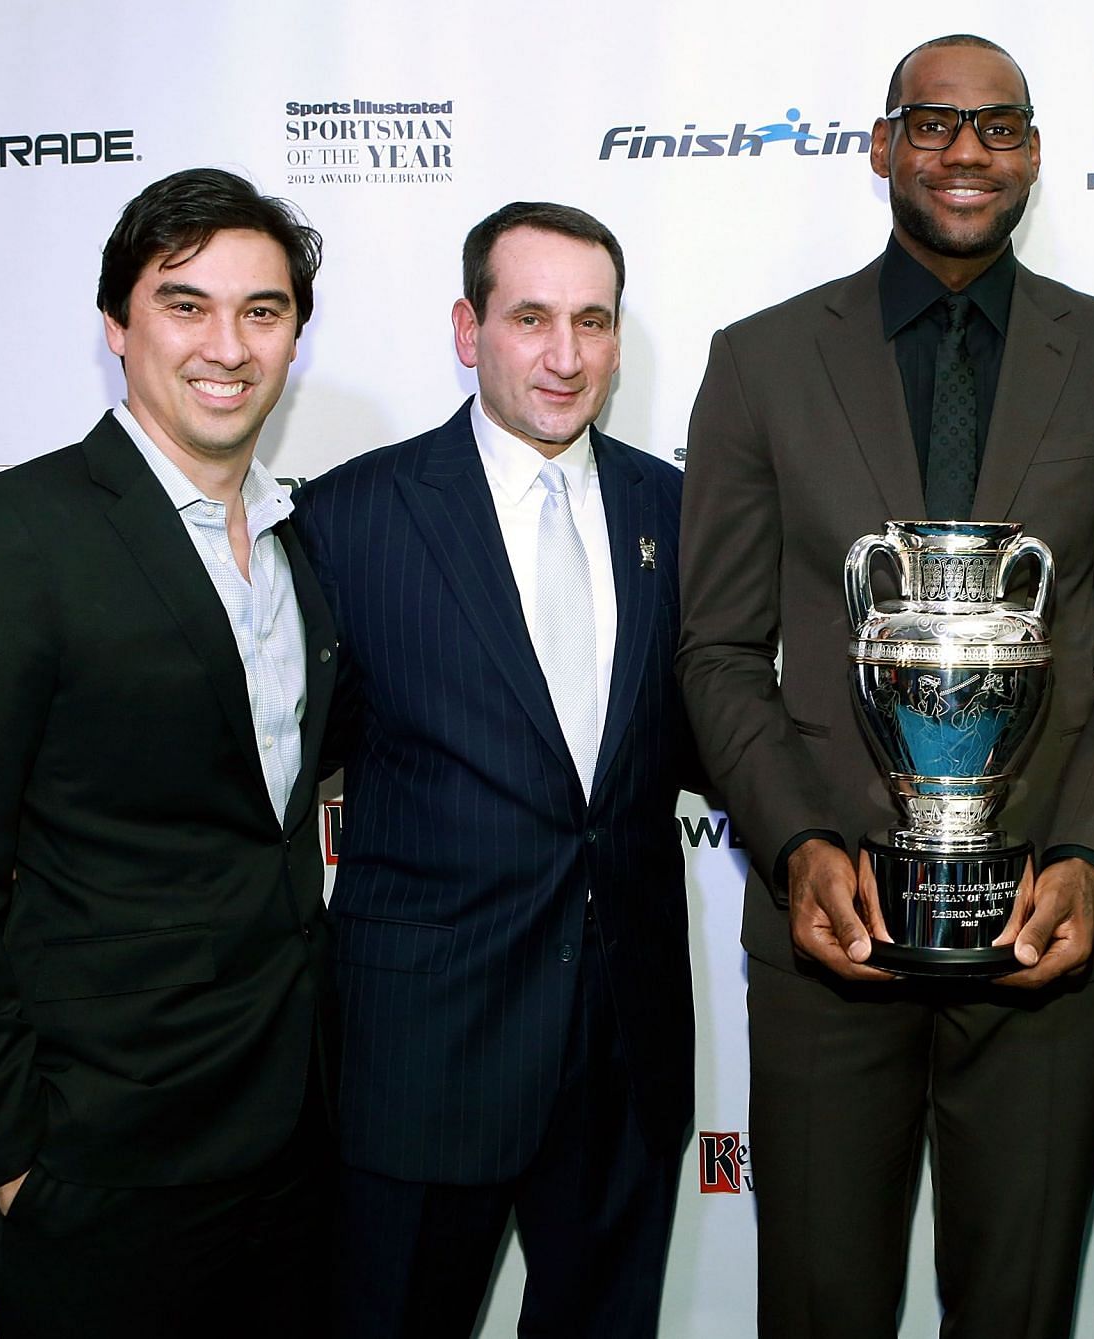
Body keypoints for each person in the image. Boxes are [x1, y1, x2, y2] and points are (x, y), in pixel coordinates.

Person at [677, 34, 1094, 1338]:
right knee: (817, 1304)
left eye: (999, 127)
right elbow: (719, 649)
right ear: (880, 145)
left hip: (1045, 931)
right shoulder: (760, 362)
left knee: (1019, 1309)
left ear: (1033, 153)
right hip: (828, 935)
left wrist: (1092, 862)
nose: (966, 152)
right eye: (933, 123)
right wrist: (799, 845)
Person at [0, 167, 335, 1338]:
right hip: (97, 1162)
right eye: (186, 304)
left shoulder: (305, 542)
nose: (226, 345)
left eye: (262, 311)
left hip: (296, 1141)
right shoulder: (6, 536)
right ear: (118, 326)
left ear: (294, 340)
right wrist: (9, 1159)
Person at [295, 201, 695, 1338]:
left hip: (623, 1054)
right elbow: (279, 772)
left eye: (593, 322)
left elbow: (713, 737)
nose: (566, 356)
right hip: (426, 1055)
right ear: (468, 330)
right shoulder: (352, 517)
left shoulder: (677, 510)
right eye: (531, 318)